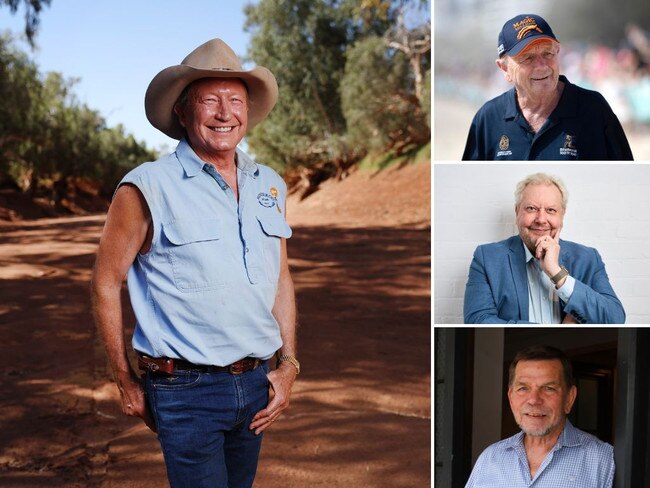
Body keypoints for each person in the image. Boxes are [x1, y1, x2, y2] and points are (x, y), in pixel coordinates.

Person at [90, 38, 300, 488]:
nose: (225, 113)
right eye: (210, 101)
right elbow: (106, 282)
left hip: (256, 384)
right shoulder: (146, 186)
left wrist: (289, 364)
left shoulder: (270, 184)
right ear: (184, 113)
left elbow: (280, 277)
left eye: (235, 100)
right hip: (186, 392)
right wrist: (125, 380)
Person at [462, 14, 634, 160]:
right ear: (505, 69)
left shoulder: (594, 108)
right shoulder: (488, 118)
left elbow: (626, 179)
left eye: (547, 53)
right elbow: (468, 188)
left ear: (557, 53)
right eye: (527, 58)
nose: (542, 65)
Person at [463, 173, 625, 324]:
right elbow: (478, 320)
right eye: (531, 209)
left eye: (551, 210)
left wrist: (557, 274)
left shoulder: (588, 258)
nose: (541, 219)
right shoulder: (487, 258)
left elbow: (615, 318)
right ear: (517, 211)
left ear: (562, 216)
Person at [465, 345, 615, 488]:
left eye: (548, 388)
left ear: (569, 398)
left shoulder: (603, 459)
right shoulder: (490, 458)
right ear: (511, 398)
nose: (534, 400)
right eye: (523, 388)